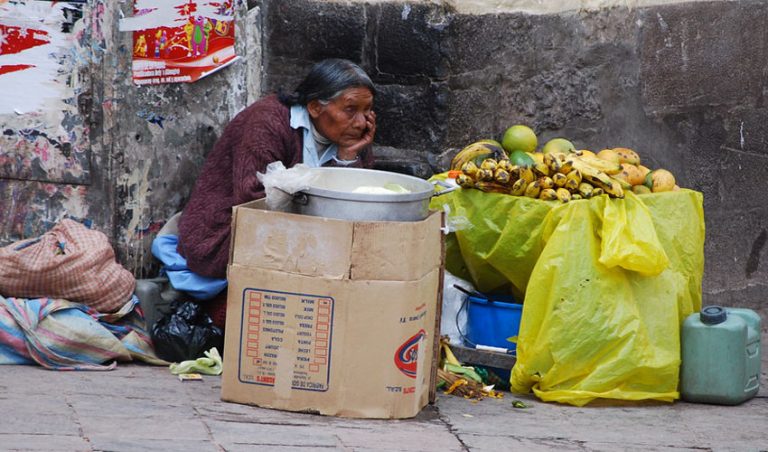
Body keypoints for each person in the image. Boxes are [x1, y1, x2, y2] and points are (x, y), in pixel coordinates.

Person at [176, 58, 377, 281]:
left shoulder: (353, 137)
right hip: (227, 234)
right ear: (315, 107)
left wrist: (347, 159)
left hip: (301, 240)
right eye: (350, 109)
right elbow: (253, 201)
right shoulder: (267, 121)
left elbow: (356, 205)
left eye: (367, 110)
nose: (360, 122)